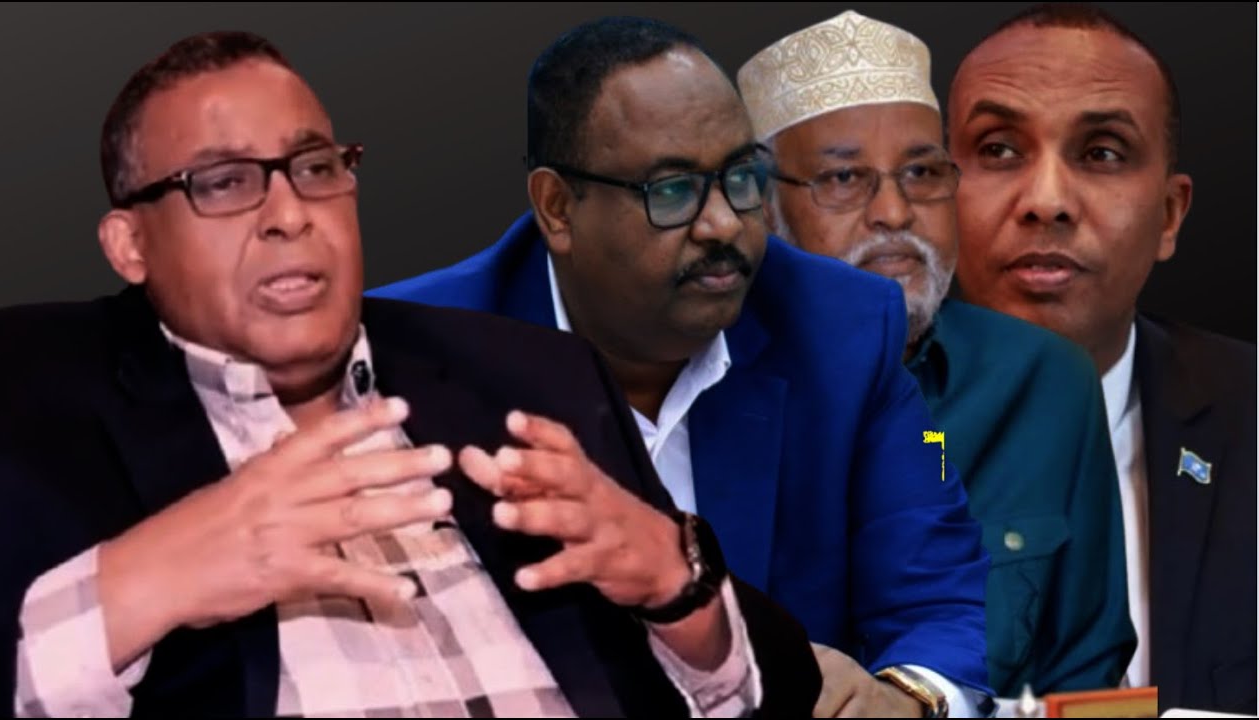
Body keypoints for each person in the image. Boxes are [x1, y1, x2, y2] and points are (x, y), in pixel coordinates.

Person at [0, 30, 823, 718]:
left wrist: (678, 587)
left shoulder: (528, 376)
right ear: (129, 245)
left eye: (316, 168)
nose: (289, 214)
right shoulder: (23, 409)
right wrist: (143, 583)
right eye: (224, 183)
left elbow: (776, 690)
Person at [371, 16, 991, 718]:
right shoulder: (415, 360)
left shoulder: (841, 328)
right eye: (672, 190)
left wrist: (908, 696)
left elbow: (937, 588)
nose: (723, 223)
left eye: (740, 177)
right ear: (558, 208)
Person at [737, 9, 1135, 699]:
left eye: (921, 172)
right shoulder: (704, 381)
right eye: (843, 179)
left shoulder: (1043, 383)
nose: (894, 212)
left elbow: (1087, 681)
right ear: (763, 208)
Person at [947, 4, 1256, 713]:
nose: (1046, 201)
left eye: (1102, 153)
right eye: (999, 149)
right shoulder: (848, 426)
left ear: (1170, 215)